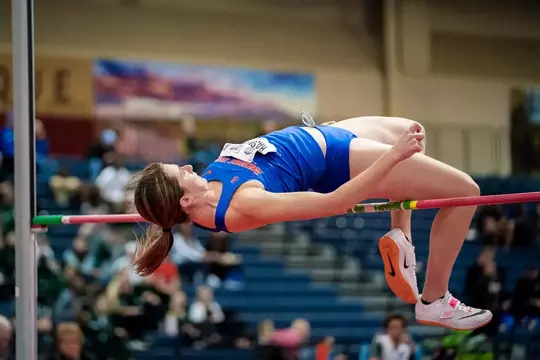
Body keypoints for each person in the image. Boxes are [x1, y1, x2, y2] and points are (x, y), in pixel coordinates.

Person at [126, 115, 491, 330]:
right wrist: (393, 157)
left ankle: (403, 238)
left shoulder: (200, 192)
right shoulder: (241, 206)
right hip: (336, 159)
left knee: (413, 128)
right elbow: (337, 202)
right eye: (182, 173)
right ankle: (434, 300)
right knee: (466, 191)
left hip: (322, 135)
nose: (190, 167)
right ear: (185, 201)